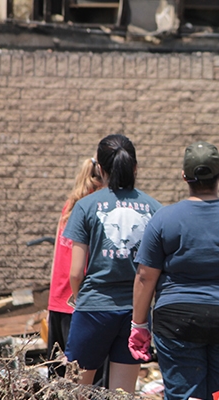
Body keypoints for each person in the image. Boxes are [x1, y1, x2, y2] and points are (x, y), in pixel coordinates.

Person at [130, 141, 219, 400]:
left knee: (185, 396)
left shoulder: (164, 219)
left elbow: (144, 277)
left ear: (185, 177)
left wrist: (139, 325)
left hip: (177, 320)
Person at [62, 134, 162, 392]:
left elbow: (75, 273)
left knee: (77, 391)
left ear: (100, 169)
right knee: (123, 393)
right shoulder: (154, 208)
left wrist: (78, 298)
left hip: (93, 307)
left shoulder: (85, 206)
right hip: (136, 313)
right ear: (135, 167)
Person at [46, 157, 103, 377]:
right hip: (78, 299)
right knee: (83, 375)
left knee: (58, 373)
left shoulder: (68, 207)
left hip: (58, 298)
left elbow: (56, 258)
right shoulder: (95, 209)